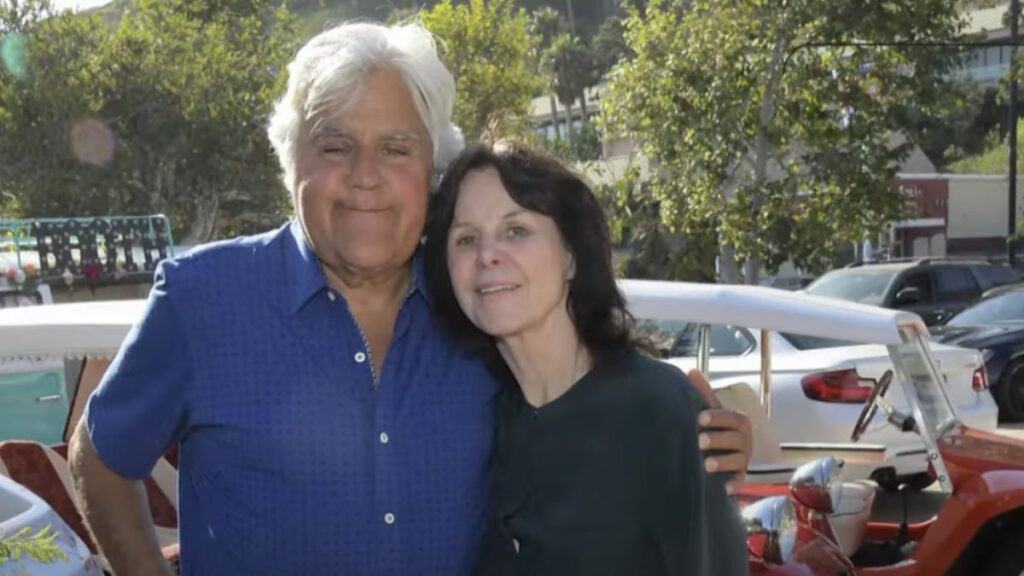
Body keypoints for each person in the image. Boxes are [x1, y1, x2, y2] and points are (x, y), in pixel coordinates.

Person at [67, 21, 752, 575]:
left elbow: (579, 396)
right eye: (335, 145)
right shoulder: (203, 299)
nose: (366, 177)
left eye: (397, 149)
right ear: (289, 161)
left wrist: (690, 428)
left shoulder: (475, 304)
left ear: (430, 168)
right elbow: (98, 454)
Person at [425, 142, 748, 575]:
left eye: (516, 230)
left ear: (572, 256)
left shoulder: (660, 411)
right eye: (465, 239)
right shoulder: (488, 418)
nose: (487, 255)